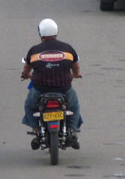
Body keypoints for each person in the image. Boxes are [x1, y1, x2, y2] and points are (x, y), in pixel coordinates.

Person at [21, 18, 83, 150]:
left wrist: (26, 75)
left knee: (30, 107)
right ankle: (71, 131)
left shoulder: (35, 50)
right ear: (56, 32)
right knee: (74, 107)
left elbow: (27, 67)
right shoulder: (67, 48)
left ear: (40, 33)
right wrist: (76, 75)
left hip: (40, 90)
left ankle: (38, 131)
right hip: (64, 89)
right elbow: (76, 66)